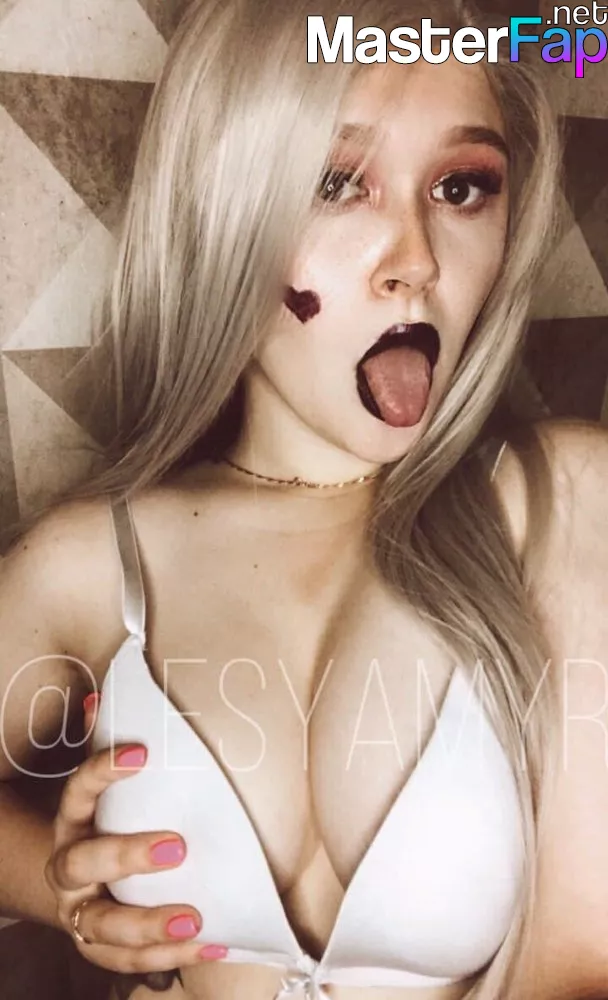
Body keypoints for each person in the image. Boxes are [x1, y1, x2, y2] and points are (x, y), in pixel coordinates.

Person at [0, 1, 607, 999]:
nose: (415, 259)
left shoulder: (561, 502)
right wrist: (59, 886)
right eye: (337, 183)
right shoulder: (96, 561)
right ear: (221, 211)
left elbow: (578, 967)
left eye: (460, 187)